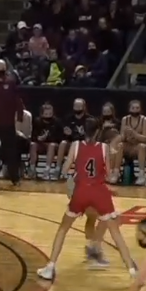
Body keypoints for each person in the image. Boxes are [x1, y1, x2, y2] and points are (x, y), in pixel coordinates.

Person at [37, 119, 138, 281]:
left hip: (81, 191)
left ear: (84, 130)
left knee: (63, 229)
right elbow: (108, 174)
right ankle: (132, 270)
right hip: (98, 192)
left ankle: (50, 267)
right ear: (98, 132)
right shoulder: (104, 148)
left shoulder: (76, 145)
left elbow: (64, 169)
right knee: (116, 233)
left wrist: (74, 176)